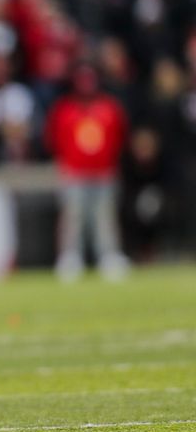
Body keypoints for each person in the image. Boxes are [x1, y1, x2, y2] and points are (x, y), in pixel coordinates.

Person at [45, 63, 129, 281]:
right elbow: (54, 140)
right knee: (73, 217)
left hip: (104, 172)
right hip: (75, 173)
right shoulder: (65, 110)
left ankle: (109, 256)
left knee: (105, 217)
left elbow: (119, 138)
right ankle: (70, 257)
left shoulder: (109, 108)